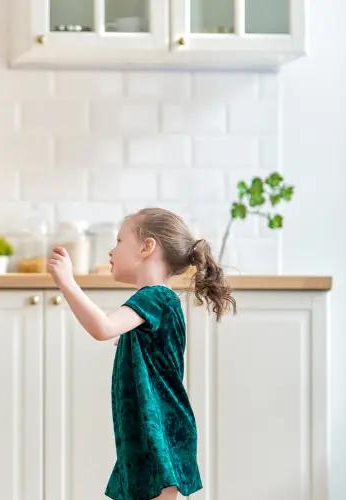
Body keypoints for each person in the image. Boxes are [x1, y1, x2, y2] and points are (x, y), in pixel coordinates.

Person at [47, 207, 235, 500]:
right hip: (146, 426)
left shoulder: (156, 296)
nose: (112, 250)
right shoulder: (154, 301)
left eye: (119, 241)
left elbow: (103, 328)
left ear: (147, 246)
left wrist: (67, 282)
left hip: (158, 427)